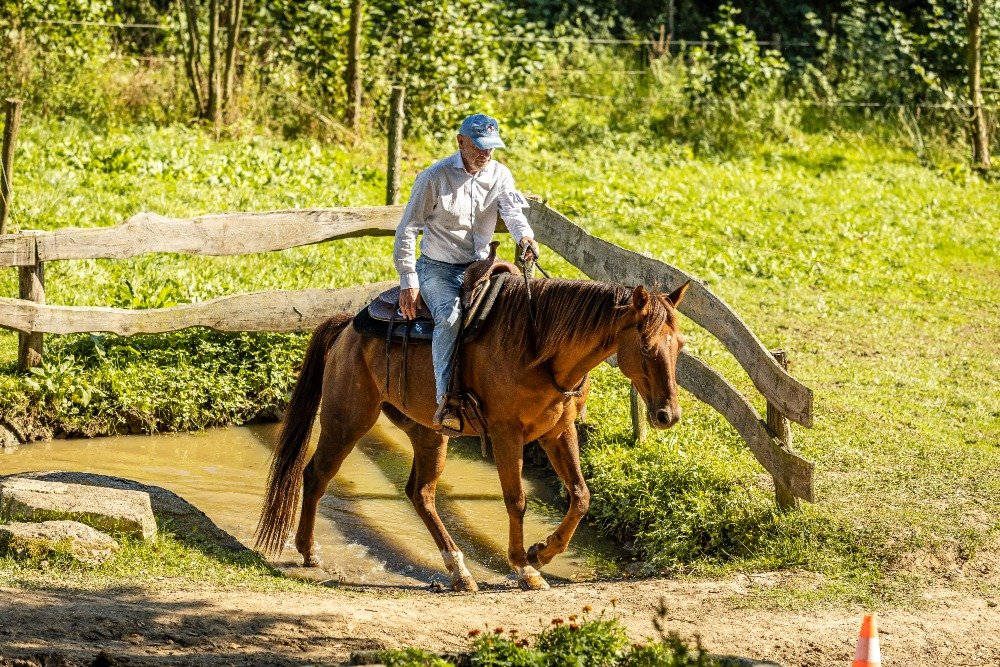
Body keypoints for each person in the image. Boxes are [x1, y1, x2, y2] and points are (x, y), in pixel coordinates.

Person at [394, 113, 539, 431]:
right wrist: (409, 280)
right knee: (449, 317)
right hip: (438, 268)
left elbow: (512, 212)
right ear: (460, 141)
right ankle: (445, 399)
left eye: (491, 147)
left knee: (520, 310)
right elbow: (408, 230)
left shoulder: (500, 174)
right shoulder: (434, 178)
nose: (485, 154)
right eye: (479, 146)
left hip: (481, 266)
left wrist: (525, 237)